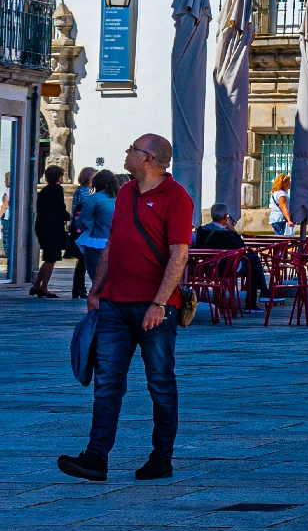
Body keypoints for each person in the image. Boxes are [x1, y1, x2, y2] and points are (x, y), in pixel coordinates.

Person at [56, 135, 191, 483]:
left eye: (132, 148)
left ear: (148, 158)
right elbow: (113, 245)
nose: (126, 152)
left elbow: (179, 254)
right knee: (108, 382)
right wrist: (97, 289)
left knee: (160, 383)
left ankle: (161, 458)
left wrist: (159, 303)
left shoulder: (176, 197)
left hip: (154, 308)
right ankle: (95, 458)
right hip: (115, 304)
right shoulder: (127, 192)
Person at [196, 204, 268, 307]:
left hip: (207, 269)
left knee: (252, 261)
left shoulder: (202, 231)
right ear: (226, 217)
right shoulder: (228, 234)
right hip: (227, 269)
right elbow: (242, 249)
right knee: (253, 262)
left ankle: (263, 293)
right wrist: (234, 232)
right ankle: (254, 301)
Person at [71, 170, 117, 301]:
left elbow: (81, 221)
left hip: (97, 240)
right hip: (116, 242)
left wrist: (90, 226)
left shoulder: (94, 198)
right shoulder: (120, 198)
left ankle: (99, 306)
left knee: (96, 277)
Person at [31, 166, 70, 297]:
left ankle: (37, 285)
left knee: (48, 257)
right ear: (59, 177)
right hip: (52, 228)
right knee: (51, 258)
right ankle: (44, 287)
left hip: (42, 226)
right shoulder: (57, 189)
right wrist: (69, 217)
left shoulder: (44, 191)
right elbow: (59, 208)